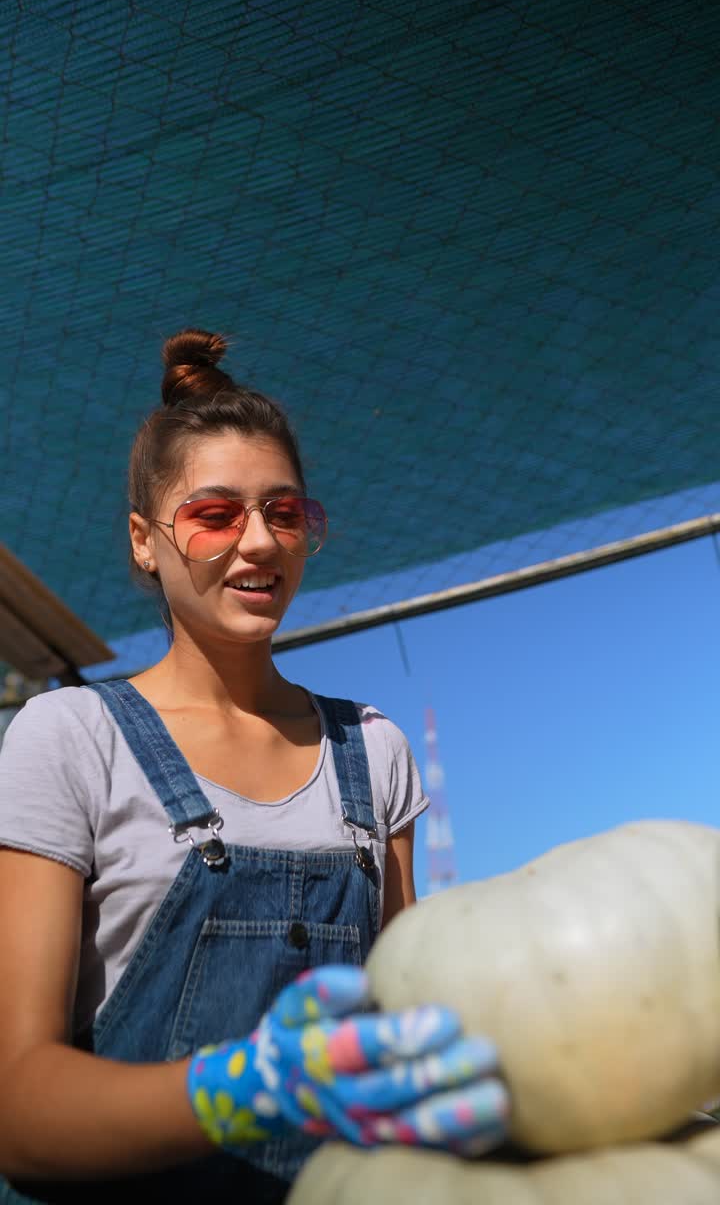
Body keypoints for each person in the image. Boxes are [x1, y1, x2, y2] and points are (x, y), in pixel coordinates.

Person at [0, 330, 509, 1204]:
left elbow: (399, 1006)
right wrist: (241, 1092)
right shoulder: (69, 735)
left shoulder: (372, 749)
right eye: (214, 514)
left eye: (285, 512)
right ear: (143, 541)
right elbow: (20, 1114)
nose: (261, 542)